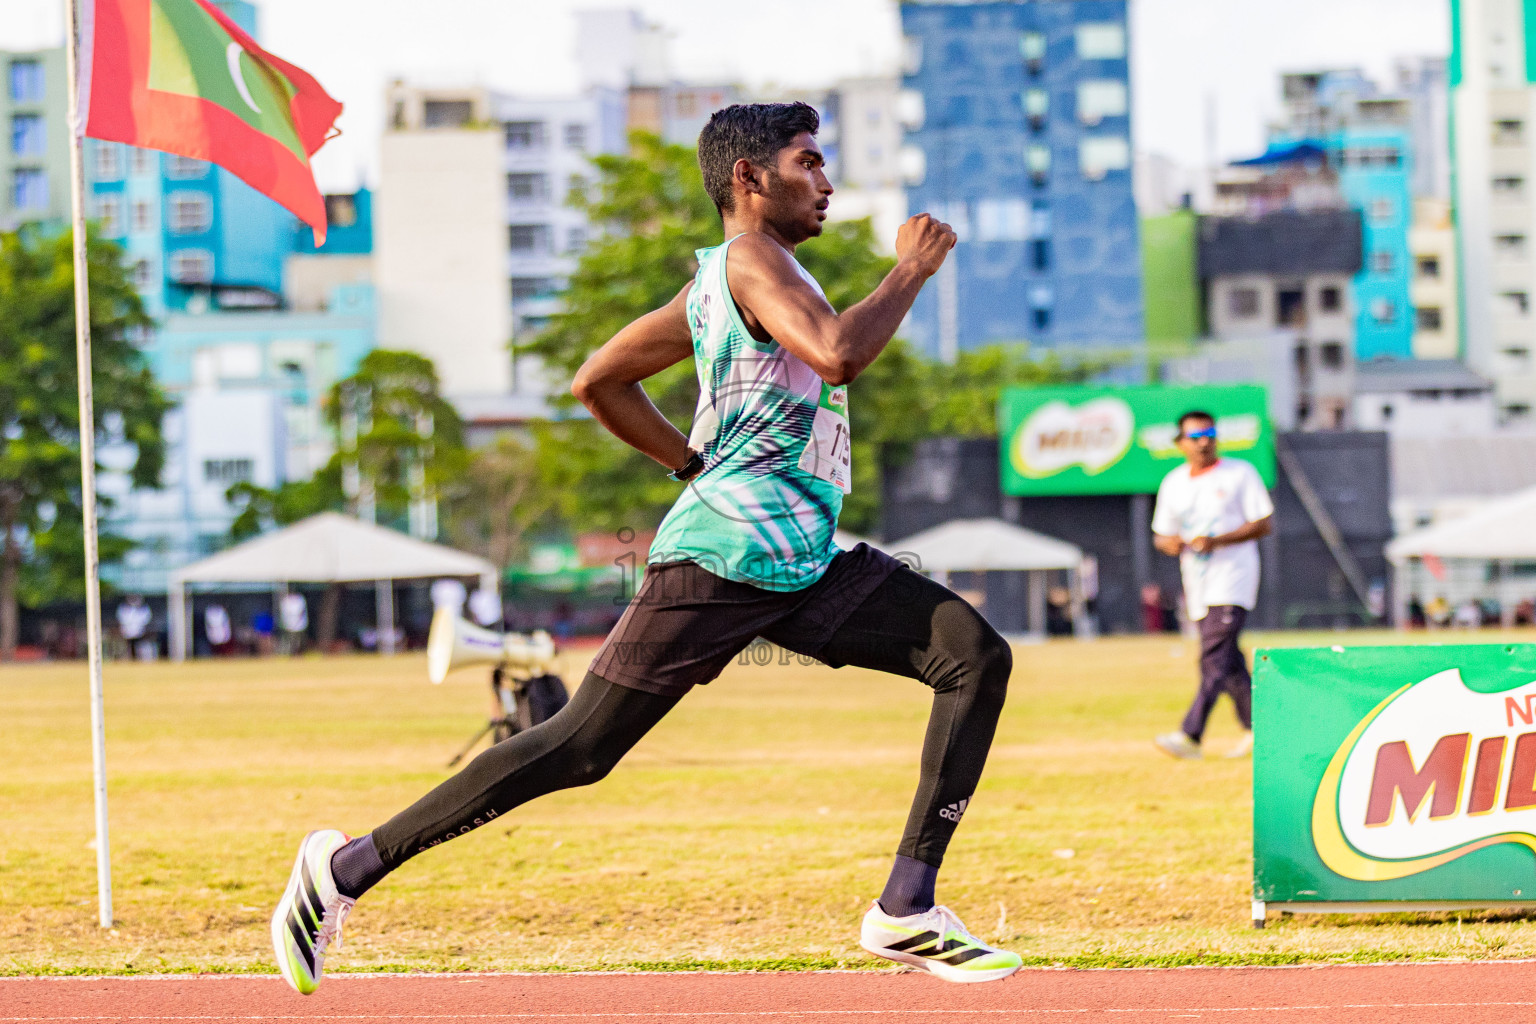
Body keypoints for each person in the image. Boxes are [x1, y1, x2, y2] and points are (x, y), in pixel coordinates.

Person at [269, 102, 1020, 994]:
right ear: (750, 178)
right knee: (578, 749)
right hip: (724, 556)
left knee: (972, 656)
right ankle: (343, 869)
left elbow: (599, 381)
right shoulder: (749, 261)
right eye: (810, 163)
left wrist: (691, 459)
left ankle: (906, 906)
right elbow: (837, 354)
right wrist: (911, 269)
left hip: (802, 560)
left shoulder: (724, 282)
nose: (825, 182)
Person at [1149, 411, 1273, 760]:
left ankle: (1191, 735)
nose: (1204, 441)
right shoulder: (1174, 482)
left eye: (1210, 433)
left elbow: (1263, 523)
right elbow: (1162, 534)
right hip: (1198, 582)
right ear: (1180, 443)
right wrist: (1170, 543)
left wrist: (1216, 541)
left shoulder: (1239, 473)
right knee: (1228, 660)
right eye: (1196, 435)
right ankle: (1259, 730)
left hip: (1232, 577)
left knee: (1213, 657)